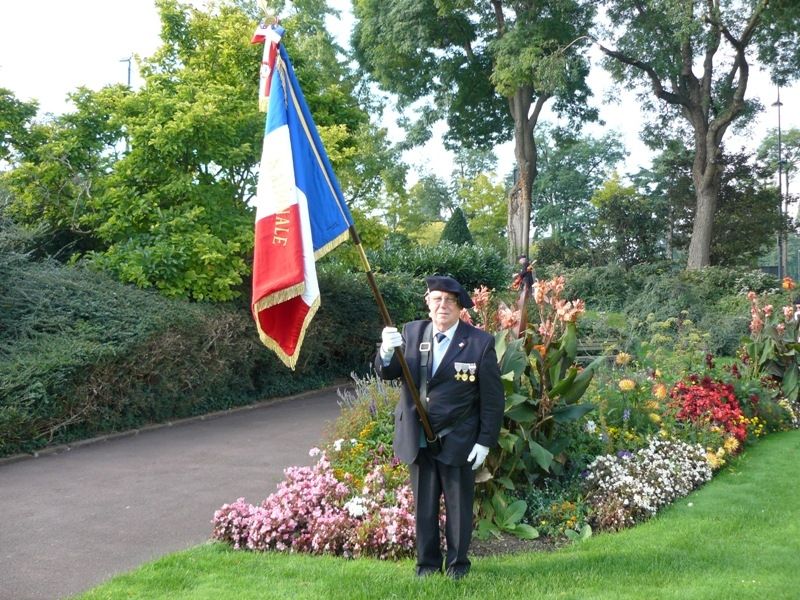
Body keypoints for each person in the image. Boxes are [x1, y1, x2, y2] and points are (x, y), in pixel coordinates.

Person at [375, 275, 504, 579]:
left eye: (449, 300)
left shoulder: (479, 343)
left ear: (460, 307)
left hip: (458, 438)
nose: (442, 305)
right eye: (437, 299)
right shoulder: (411, 332)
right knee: (425, 509)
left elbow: (492, 400)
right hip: (418, 438)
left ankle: (458, 567)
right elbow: (389, 372)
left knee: (458, 510)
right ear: (428, 303)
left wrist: (484, 441)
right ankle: (427, 567)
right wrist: (384, 351)